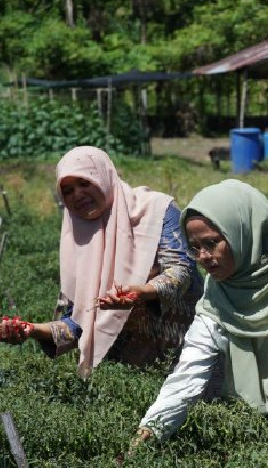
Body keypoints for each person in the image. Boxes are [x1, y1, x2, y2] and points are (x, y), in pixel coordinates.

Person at [133, 179, 268, 444]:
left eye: (212, 242)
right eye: (194, 247)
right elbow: (188, 372)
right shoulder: (218, 291)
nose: (203, 256)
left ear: (244, 231)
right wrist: (149, 431)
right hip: (258, 426)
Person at [0, 146, 202, 378]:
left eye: (85, 183)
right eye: (68, 190)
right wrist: (31, 330)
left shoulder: (156, 210)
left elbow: (181, 270)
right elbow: (77, 324)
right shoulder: (77, 236)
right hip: (125, 374)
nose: (77, 195)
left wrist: (142, 291)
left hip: (183, 352)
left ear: (103, 176)